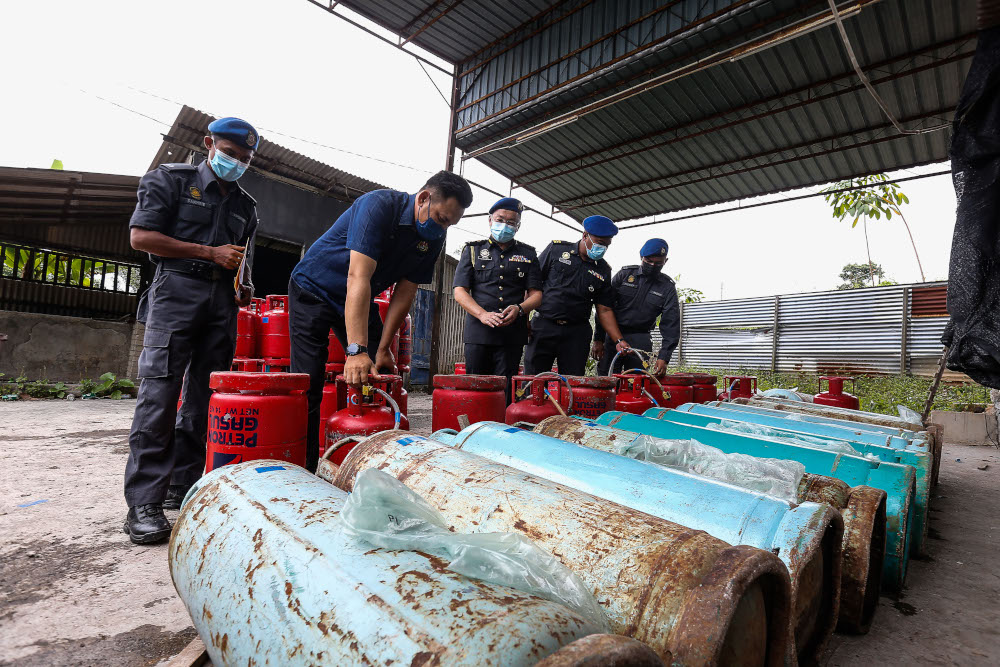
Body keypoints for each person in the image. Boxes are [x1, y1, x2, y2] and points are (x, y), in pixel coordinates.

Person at [124, 117, 260, 544]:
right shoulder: (171, 180)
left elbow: (239, 258)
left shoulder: (246, 206)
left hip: (221, 304)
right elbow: (141, 237)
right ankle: (144, 502)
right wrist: (208, 253)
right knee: (159, 397)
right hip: (176, 292)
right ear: (209, 144)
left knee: (203, 401)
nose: (235, 162)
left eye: (244, 158)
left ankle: (182, 489)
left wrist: (245, 285)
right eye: (229, 153)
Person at [288, 171, 473, 471]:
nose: (443, 229)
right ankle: (303, 470)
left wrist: (383, 347)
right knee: (308, 383)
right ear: (424, 198)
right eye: (441, 219)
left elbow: (405, 292)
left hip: (358, 297)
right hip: (315, 289)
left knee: (382, 375)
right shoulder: (378, 207)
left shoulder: (433, 238)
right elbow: (357, 276)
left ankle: (375, 465)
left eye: (450, 224)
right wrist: (355, 350)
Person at [453, 197, 542, 402]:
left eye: (511, 222)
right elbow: (460, 291)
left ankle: (502, 430)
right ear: (490, 220)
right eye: (500, 219)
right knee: (476, 389)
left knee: (505, 392)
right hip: (478, 333)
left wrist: (520, 309)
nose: (505, 225)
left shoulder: (528, 254)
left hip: (511, 335)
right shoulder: (473, 250)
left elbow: (537, 295)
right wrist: (482, 314)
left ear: (518, 226)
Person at [526, 215, 630, 376]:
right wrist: (523, 318)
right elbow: (531, 285)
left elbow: (604, 310)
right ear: (584, 235)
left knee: (573, 383)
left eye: (607, 245)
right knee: (533, 380)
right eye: (600, 244)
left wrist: (619, 340)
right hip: (543, 326)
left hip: (576, 333)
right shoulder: (556, 250)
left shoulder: (603, 269)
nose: (602, 249)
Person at [593, 238, 680, 377]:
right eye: (648, 261)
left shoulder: (667, 287)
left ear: (665, 261)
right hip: (613, 335)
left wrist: (664, 357)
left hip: (641, 339)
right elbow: (603, 308)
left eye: (658, 263)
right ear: (641, 257)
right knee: (605, 379)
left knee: (636, 383)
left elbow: (671, 325)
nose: (652, 265)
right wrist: (598, 339)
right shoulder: (624, 275)